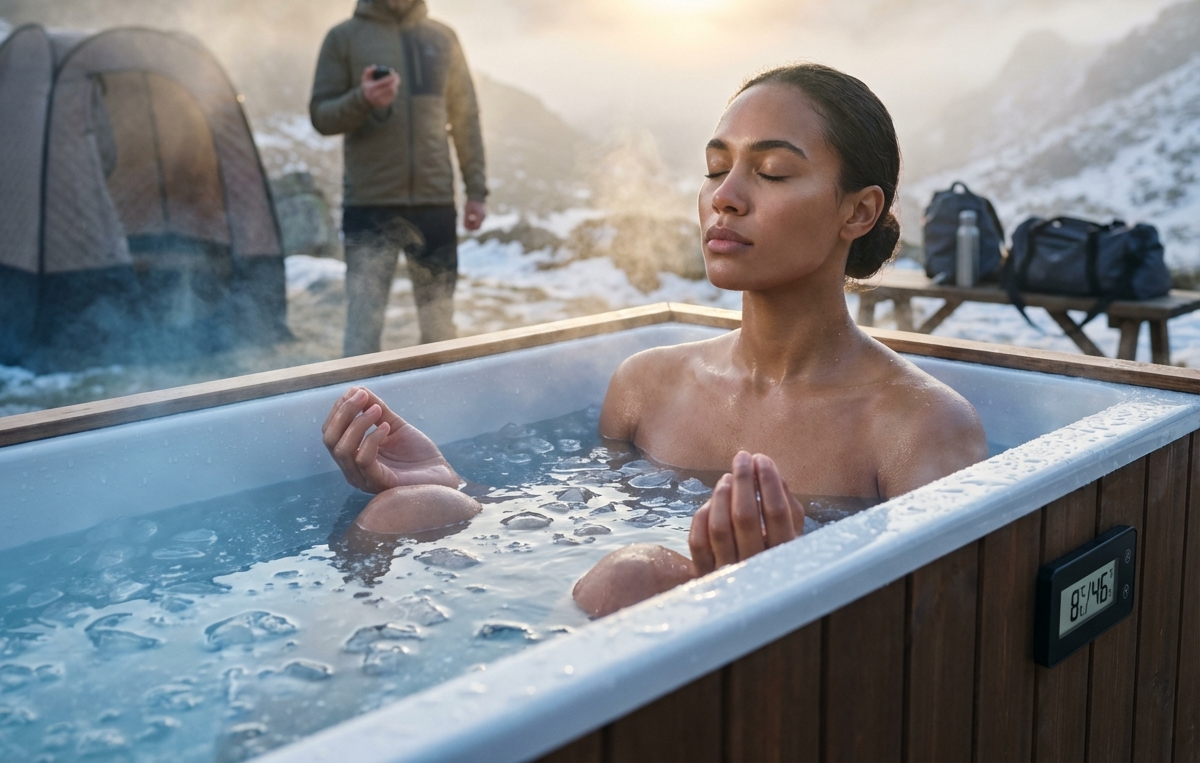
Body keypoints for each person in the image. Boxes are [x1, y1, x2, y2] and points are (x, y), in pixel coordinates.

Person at [321, 63, 989, 617]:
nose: (725, 197)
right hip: (553, 635)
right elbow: (562, 540)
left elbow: (936, 650)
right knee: (406, 510)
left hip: (769, 697)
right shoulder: (647, 385)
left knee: (630, 581)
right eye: (715, 168)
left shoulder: (915, 426)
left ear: (859, 211)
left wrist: (780, 589)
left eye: (773, 172)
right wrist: (456, 488)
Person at [310, 0, 487, 354]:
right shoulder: (344, 38)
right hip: (370, 205)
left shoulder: (442, 38)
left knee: (439, 326)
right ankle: (357, 418)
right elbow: (320, 115)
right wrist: (362, 99)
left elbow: (466, 119)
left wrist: (476, 191)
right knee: (363, 330)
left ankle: (442, 411)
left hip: (434, 204)